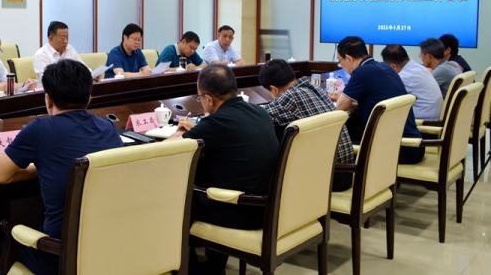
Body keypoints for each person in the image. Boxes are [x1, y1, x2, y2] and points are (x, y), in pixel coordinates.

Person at [0, 59, 123, 275]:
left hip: (60, 255)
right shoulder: (107, 127)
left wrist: (37, 169)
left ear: (47, 98)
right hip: (109, 247)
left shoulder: (40, 129)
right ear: (89, 97)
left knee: (2, 241)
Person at [171, 64, 278, 274]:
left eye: (200, 98)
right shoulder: (259, 112)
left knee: (175, 202)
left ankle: (192, 270)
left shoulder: (216, 123)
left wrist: (179, 131)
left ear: (209, 99)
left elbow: (172, 150)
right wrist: (200, 128)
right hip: (267, 209)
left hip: (241, 212)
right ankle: (213, 266)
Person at [259, 59, 354, 191]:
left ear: (274, 90)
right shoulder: (314, 88)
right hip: (346, 171)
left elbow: (260, 117)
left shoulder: (290, 97)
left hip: (328, 178)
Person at [334, 36, 424, 164]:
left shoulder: (362, 72)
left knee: (338, 146)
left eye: (340, 61)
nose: (341, 65)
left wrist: (345, 101)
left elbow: (339, 107)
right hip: (412, 145)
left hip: (398, 148)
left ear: (348, 58)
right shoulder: (386, 68)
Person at [381, 45, 443, 121]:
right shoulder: (418, 67)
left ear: (393, 67)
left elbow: (386, 98)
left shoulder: (404, 77)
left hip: (424, 121)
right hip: (433, 115)